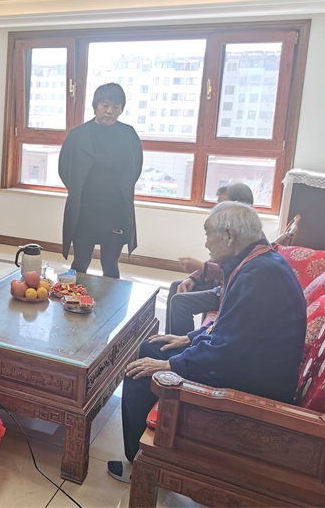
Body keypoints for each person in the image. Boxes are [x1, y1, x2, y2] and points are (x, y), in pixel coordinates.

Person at [107, 201, 306, 483]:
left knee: (141, 373)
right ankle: (142, 453)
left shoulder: (257, 275)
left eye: (208, 234)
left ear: (229, 236)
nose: (206, 243)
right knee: (154, 347)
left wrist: (168, 366)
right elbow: (231, 328)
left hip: (252, 383)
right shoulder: (258, 261)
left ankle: (140, 466)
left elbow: (225, 350)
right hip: (247, 363)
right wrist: (187, 338)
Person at [58, 83, 143, 278]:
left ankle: (112, 298)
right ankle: (73, 295)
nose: (109, 111)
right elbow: (64, 168)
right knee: (80, 262)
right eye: (105, 105)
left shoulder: (128, 134)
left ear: (121, 109)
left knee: (110, 265)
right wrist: (78, 190)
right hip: (84, 210)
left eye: (116, 107)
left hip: (115, 211)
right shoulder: (78, 134)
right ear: (95, 105)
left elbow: (135, 168)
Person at [166, 182, 255, 335]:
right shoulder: (227, 228)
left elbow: (237, 272)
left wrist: (201, 267)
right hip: (219, 284)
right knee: (177, 287)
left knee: (180, 302)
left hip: (230, 291)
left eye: (223, 204)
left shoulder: (248, 235)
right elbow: (215, 261)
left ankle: (180, 345)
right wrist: (194, 278)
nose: (217, 208)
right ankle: (171, 338)